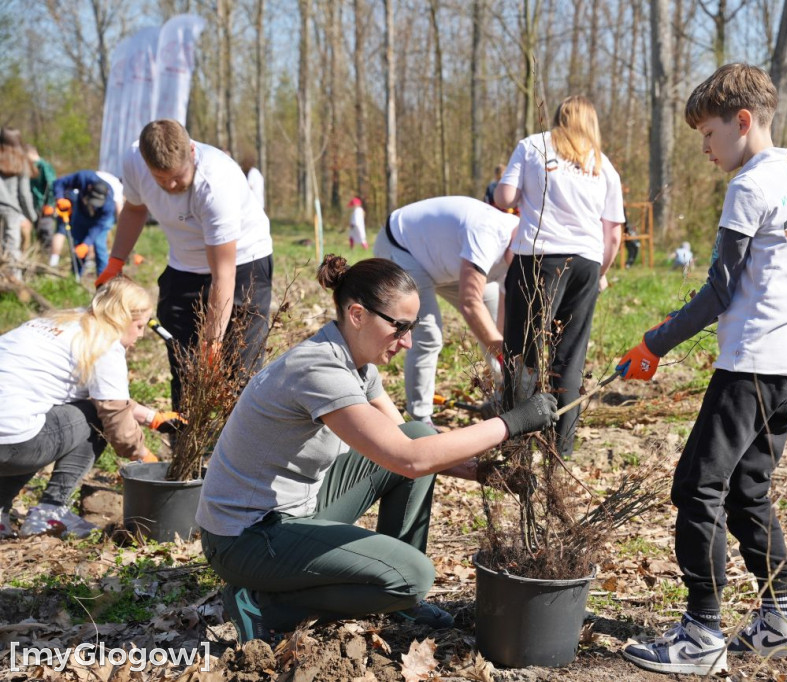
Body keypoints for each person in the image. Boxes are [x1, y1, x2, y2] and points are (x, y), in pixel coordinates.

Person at [196, 255, 558, 643]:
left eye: (412, 327)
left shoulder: (356, 365)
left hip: (292, 511)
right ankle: (264, 604)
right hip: (243, 539)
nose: (408, 342)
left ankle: (397, 600)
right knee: (414, 576)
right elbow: (410, 459)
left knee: (415, 431)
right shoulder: (319, 370)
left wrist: (482, 472)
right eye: (399, 327)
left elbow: (410, 442)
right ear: (357, 314)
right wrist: (512, 422)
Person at [616, 63, 787, 677]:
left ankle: (701, 633)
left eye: (708, 133)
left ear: (743, 121)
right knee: (749, 490)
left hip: (752, 363)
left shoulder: (749, 186)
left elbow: (719, 289)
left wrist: (655, 342)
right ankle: (780, 622)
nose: (704, 147)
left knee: (697, 488)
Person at [96, 120, 274, 411]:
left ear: (191, 151)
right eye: (160, 178)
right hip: (184, 265)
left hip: (243, 265)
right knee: (183, 362)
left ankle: (241, 433)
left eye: (177, 176)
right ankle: (186, 434)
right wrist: (115, 262)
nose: (170, 185)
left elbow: (223, 276)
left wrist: (212, 345)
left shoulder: (216, 182)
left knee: (240, 369)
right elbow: (135, 209)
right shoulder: (134, 161)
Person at [493, 95, 624, 459]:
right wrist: (600, 273)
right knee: (570, 356)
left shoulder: (532, 146)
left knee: (523, 352)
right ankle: (561, 448)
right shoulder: (603, 165)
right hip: (586, 262)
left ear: (558, 118)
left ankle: (517, 443)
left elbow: (504, 197)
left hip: (538, 259)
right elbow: (614, 234)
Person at [0, 278, 181, 539]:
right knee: (88, 418)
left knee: (26, 418)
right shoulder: (105, 342)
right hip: (14, 444)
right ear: (122, 318)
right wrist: (144, 457)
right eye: (139, 326)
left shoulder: (58, 322)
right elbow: (111, 413)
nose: (141, 335)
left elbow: (100, 395)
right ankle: (51, 511)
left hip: (9, 433)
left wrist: (151, 417)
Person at [373, 196, 518, 424]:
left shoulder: (525, 251)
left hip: (448, 263)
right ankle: (421, 420)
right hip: (403, 248)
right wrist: (501, 351)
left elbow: (500, 324)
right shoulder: (488, 233)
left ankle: (503, 398)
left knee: (492, 324)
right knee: (428, 335)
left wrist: (506, 355)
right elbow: (470, 303)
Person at [52, 171, 117, 277]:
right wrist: (60, 198)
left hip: (98, 221)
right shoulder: (83, 178)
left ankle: (104, 280)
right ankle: (75, 277)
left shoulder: (108, 204)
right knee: (78, 244)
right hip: (81, 213)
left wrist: (86, 244)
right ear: (89, 188)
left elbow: (98, 226)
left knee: (99, 246)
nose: (94, 205)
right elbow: (59, 183)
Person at [0, 128, 36, 278]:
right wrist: (32, 216)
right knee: (12, 248)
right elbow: (24, 194)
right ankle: (15, 281)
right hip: (11, 210)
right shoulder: (21, 160)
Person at [25, 146, 57, 253]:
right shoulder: (30, 167)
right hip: (34, 205)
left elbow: (51, 185)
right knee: (38, 232)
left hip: (45, 205)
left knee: (45, 231)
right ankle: (40, 254)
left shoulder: (43, 166)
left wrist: (50, 203)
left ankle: (48, 256)